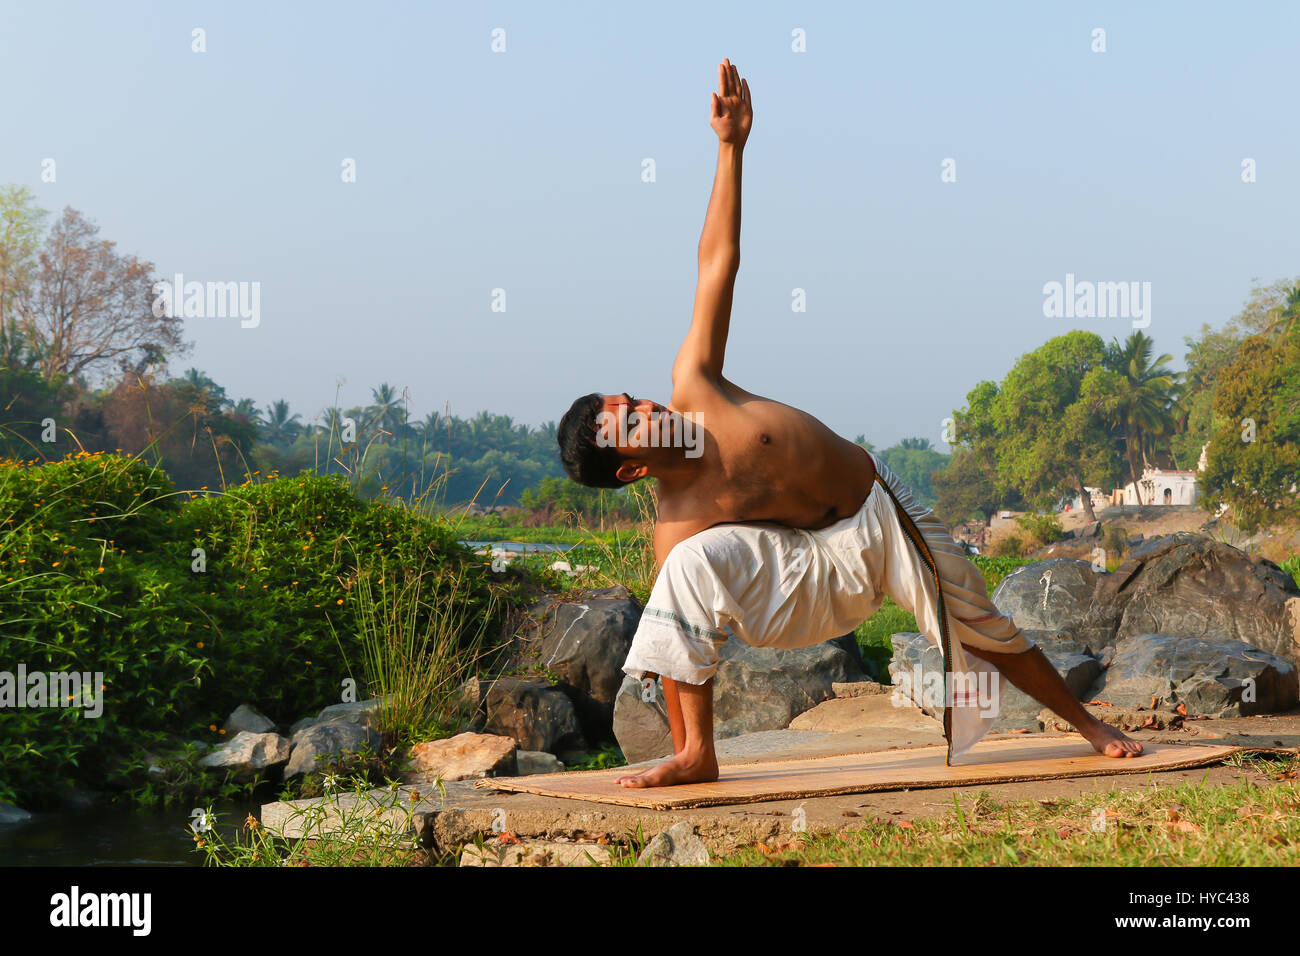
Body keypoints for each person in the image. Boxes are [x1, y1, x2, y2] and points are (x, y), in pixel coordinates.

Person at [555, 59, 1142, 789]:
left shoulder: (695, 383)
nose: (647, 409)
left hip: (880, 513)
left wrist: (730, 148)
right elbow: (678, 638)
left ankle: (1087, 724)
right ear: (634, 467)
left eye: (633, 402)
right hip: (812, 576)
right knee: (682, 572)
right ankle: (698, 756)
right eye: (632, 425)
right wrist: (677, 740)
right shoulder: (678, 522)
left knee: (979, 626)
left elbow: (717, 262)